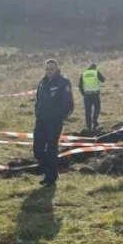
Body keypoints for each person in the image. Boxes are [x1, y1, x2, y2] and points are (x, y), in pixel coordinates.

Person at [33, 58, 74, 186]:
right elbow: (38, 100)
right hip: (41, 121)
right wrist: (37, 113)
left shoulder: (63, 82)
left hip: (54, 121)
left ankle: (51, 176)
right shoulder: (42, 82)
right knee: (37, 150)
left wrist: (61, 117)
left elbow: (68, 103)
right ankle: (50, 170)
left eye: (51, 68)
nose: (49, 71)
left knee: (51, 149)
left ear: (57, 68)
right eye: (47, 69)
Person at [78, 63, 105, 132]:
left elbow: (80, 85)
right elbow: (103, 79)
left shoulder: (84, 73)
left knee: (88, 111)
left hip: (87, 95)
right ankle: (95, 121)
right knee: (97, 108)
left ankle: (88, 127)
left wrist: (83, 94)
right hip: (95, 94)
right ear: (95, 67)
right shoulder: (96, 72)